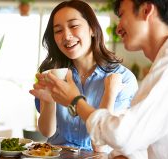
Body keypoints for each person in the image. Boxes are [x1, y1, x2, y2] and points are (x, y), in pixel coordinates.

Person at [43, 0, 168, 159]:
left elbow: (122, 135)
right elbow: (137, 143)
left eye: (121, 15)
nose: (118, 28)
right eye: (58, 30)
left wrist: (75, 101)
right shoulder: (164, 64)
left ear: (146, 10)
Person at [29, 0, 138, 151]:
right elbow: (47, 132)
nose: (66, 36)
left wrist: (109, 93)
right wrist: (48, 100)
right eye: (58, 30)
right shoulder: (52, 73)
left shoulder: (122, 79)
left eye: (73, 26)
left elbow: (100, 146)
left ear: (92, 29)